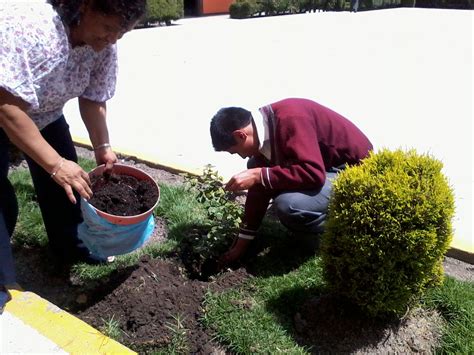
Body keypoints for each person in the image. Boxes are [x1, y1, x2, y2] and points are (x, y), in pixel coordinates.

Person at [0, 0, 147, 310]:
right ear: (85, 6)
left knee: (67, 187)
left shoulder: (102, 43)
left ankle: (69, 246)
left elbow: (93, 98)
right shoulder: (31, 28)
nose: (112, 39)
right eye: (109, 28)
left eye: (121, 33)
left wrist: (102, 147)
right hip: (5, 108)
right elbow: (7, 107)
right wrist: (54, 164)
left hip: (43, 113)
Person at [210, 98, 373, 267]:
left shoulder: (291, 118)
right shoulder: (264, 131)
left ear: (241, 135)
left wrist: (260, 175)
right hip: (325, 166)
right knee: (255, 167)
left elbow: (313, 173)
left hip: (352, 169)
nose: (241, 156)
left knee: (289, 205)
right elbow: (259, 192)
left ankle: (337, 236)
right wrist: (240, 246)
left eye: (235, 151)